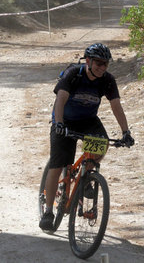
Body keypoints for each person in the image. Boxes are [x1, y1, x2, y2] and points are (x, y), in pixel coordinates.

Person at [39, 43, 134, 231]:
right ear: (88, 60)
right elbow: (61, 99)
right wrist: (58, 124)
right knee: (57, 165)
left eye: (105, 64)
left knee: (102, 144)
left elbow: (116, 106)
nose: (102, 67)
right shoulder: (74, 73)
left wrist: (126, 132)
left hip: (88, 120)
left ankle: (84, 177)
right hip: (64, 119)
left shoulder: (107, 80)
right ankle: (49, 211)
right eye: (98, 63)